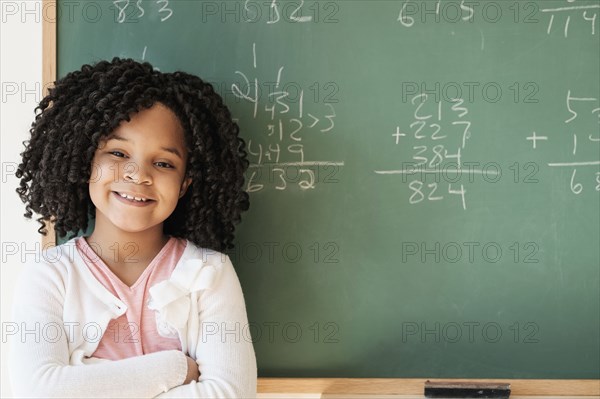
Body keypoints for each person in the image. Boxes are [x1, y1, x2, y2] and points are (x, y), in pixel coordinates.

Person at [10, 57, 257, 398]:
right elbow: (37, 391)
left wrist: (86, 381)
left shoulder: (208, 273)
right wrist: (176, 368)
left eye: (163, 163)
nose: (138, 174)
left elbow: (231, 393)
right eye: (118, 153)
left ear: (184, 184)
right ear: (86, 162)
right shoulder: (50, 275)